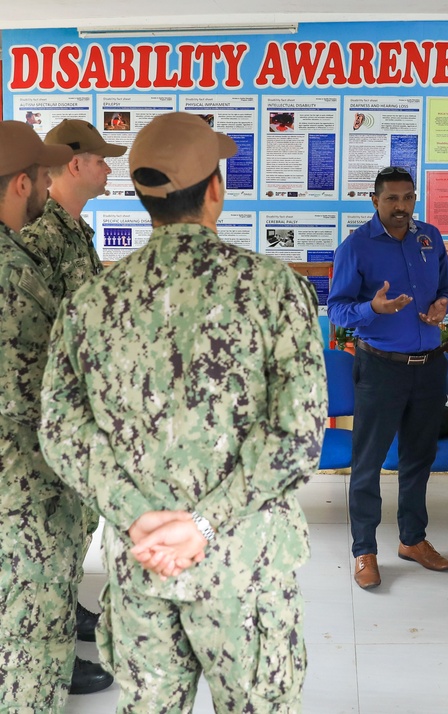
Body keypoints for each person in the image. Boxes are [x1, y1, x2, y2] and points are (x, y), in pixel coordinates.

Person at [39, 112, 325, 711]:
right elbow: (298, 436)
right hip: (244, 571)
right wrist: (205, 524)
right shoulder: (272, 288)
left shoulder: (91, 303)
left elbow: (61, 431)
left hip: (142, 569)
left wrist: (138, 518)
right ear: (215, 191)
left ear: (143, 197)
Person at [0, 120, 113, 709]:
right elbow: (31, 371)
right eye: (100, 160)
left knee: (42, 583)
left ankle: (55, 636)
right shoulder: (24, 253)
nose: (109, 168)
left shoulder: (60, 237)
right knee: (29, 600)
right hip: (29, 461)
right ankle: (43, 667)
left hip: (45, 454)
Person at [21, 118, 126, 654]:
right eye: (102, 158)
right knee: (54, 534)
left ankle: (67, 611)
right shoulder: (42, 236)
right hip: (47, 419)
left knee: (75, 523)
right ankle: (52, 641)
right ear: (75, 163)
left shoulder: (75, 230)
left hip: (78, 412)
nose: (110, 167)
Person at [328, 166, 448, 590]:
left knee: (418, 460)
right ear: (375, 201)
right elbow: (338, 309)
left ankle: (412, 540)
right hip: (380, 367)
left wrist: (442, 305)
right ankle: (364, 550)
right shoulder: (356, 246)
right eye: (392, 199)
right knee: (366, 465)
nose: (401, 206)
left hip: (429, 366)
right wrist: (372, 310)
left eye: (408, 197)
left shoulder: (429, 238)